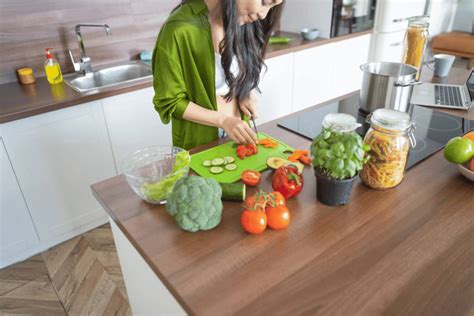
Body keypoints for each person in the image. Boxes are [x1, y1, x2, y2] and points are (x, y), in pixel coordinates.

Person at [152, 0, 284, 150]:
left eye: (273, 6)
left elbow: (234, 76)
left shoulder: (245, 20)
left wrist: (244, 93)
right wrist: (223, 121)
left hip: (238, 137)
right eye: (264, 2)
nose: (263, 14)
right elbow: (170, 102)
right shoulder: (179, 28)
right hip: (200, 143)